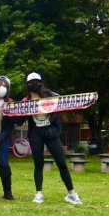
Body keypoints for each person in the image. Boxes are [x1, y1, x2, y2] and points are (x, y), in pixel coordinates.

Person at [24, 72, 82, 205]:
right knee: (38, 164)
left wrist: (56, 130)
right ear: (28, 85)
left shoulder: (50, 95)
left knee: (61, 163)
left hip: (51, 133)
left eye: (37, 82)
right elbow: (20, 120)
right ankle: (38, 193)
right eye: (32, 82)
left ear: (40, 82)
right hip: (35, 134)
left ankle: (71, 193)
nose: (34, 84)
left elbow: (62, 104)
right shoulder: (26, 101)